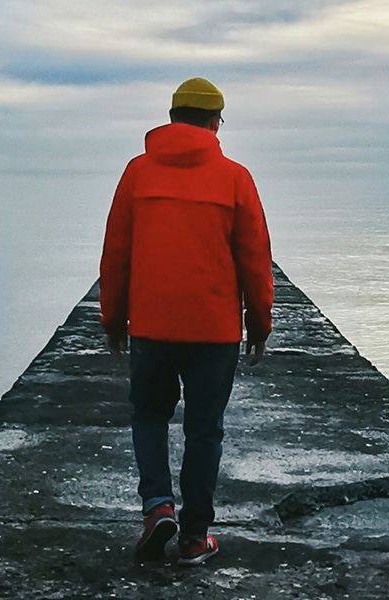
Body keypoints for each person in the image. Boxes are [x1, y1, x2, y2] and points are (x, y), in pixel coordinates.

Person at [99, 77, 274, 566]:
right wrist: (259, 325)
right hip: (214, 332)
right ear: (217, 122)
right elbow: (256, 259)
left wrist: (113, 318)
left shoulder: (137, 172)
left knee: (149, 416)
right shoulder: (235, 177)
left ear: (173, 117)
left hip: (152, 326)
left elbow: (116, 253)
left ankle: (157, 508)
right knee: (204, 430)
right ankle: (195, 537)